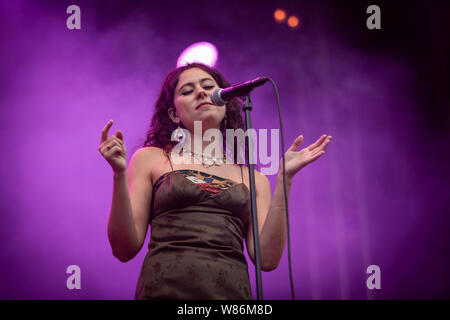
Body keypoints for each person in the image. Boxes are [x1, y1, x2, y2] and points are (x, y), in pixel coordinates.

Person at [98, 62, 332, 299]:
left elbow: (267, 260)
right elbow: (123, 249)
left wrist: (284, 180)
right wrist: (118, 174)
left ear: (226, 104)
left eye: (208, 87)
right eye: (187, 91)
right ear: (173, 114)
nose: (200, 92)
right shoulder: (151, 158)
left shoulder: (252, 178)